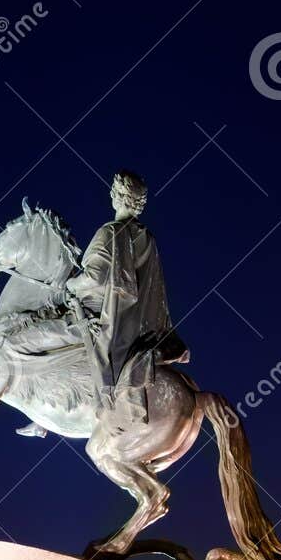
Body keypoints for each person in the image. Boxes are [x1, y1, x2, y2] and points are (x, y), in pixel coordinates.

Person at [66, 169, 182, 433]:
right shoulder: (148, 238)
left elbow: (95, 277)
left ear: (118, 197)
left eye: (113, 190)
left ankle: (99, 403)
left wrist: (70, 285)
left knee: (67, 338)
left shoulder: (111, 232)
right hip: (142, 327)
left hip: (115, 321)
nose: (109, 193)